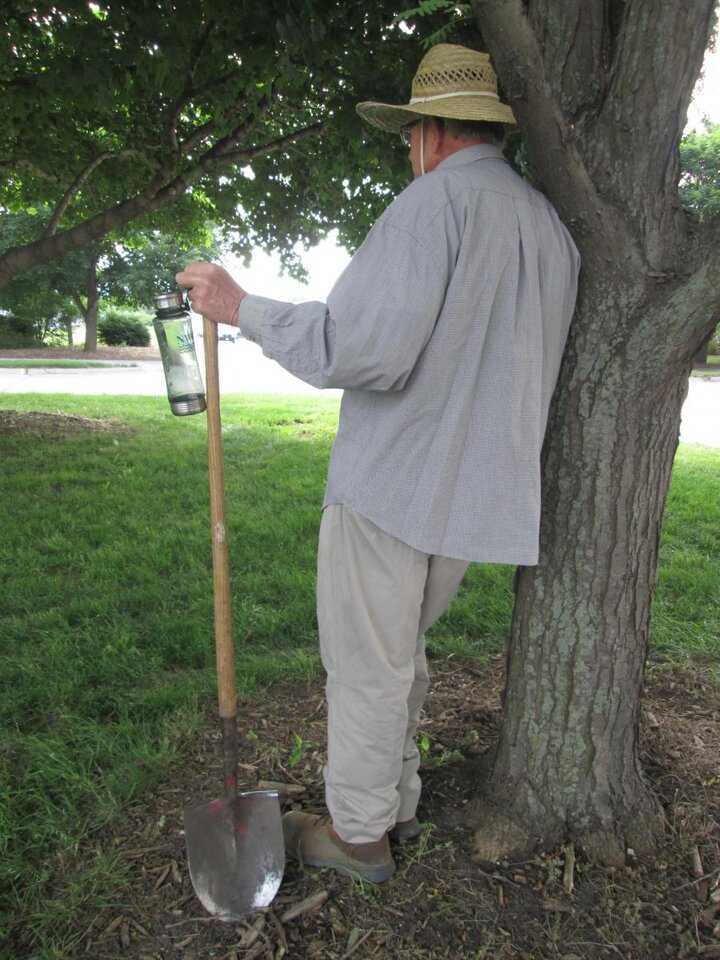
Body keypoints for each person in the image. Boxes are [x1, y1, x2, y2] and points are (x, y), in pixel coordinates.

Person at [177, 43, 580, 885]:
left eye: (409, 136)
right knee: (399, 658)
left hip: (395, 484)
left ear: (431, 132)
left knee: (368, 666)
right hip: (472, 495)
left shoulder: (432, 206)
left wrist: (237, 305)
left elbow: (356, 348)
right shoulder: (546, 225)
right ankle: (391, 798)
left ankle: (360, 837)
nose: (409, 151)